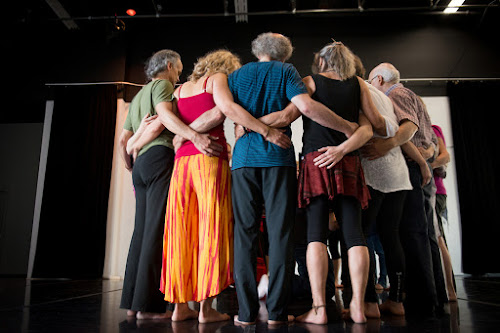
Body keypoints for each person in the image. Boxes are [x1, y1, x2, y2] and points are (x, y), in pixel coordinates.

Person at [229, 32, 366, 326]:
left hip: (242, 161)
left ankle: (246, 313)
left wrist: (247, 124)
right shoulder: (287, 71)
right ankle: (277, 314)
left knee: (244, 235)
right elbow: (297, 110)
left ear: (257, 50)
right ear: (286, 53)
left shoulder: (237, 75)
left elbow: (227, 112)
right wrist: (346, 127)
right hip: (278, 159)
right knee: (281, 237)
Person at [158, 49, 292, 323]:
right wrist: (197, 136)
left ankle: (180, 307)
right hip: (208, 160)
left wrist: (184, 137)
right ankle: (206, 310)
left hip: (181, 167)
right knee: (211, 231)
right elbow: (223, 111)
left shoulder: (181, 89)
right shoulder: (217, 78)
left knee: (180, 232)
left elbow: (168, 121)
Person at [295, 41, 391, 324]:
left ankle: (319, 309)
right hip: (348, 161)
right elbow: (372, 124)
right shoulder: (359, 84)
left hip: (316, 159)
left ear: (322, 62)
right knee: (354, 235)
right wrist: (344, 148)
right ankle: (359, 308)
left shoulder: (309, 82)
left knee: (315, 235)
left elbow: (293, 112)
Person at [365, 63, 440, 317]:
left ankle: (417, 301)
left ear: (378, 79)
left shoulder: (394, 94)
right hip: (410, 167)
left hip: (401, 167)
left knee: (408, 234)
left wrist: (388, 146)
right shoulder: (409, 96)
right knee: (411, 234)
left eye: (370, 80)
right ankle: (419, 298)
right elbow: (424, 141)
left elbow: (407, 130)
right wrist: (425, 159)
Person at [118, 49, 183, 320]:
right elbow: (161, 122)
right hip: (159, 158)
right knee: (156, 231)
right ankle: (148, 307)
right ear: (168, 66)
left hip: (141, 166)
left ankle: (133, 305)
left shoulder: (137, 97)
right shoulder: (163, 85)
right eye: (178, 69)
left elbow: (123, 142)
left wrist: (131, 159)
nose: (179, 75)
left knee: (141, 233)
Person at [431, 124, 457, 302]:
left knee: (438, 238)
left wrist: (424, 163)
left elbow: (445, 156)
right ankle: (445, 289)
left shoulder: (433, 129)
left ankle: (449, 290)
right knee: (436, 239)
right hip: (427, 191)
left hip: (435, 192)